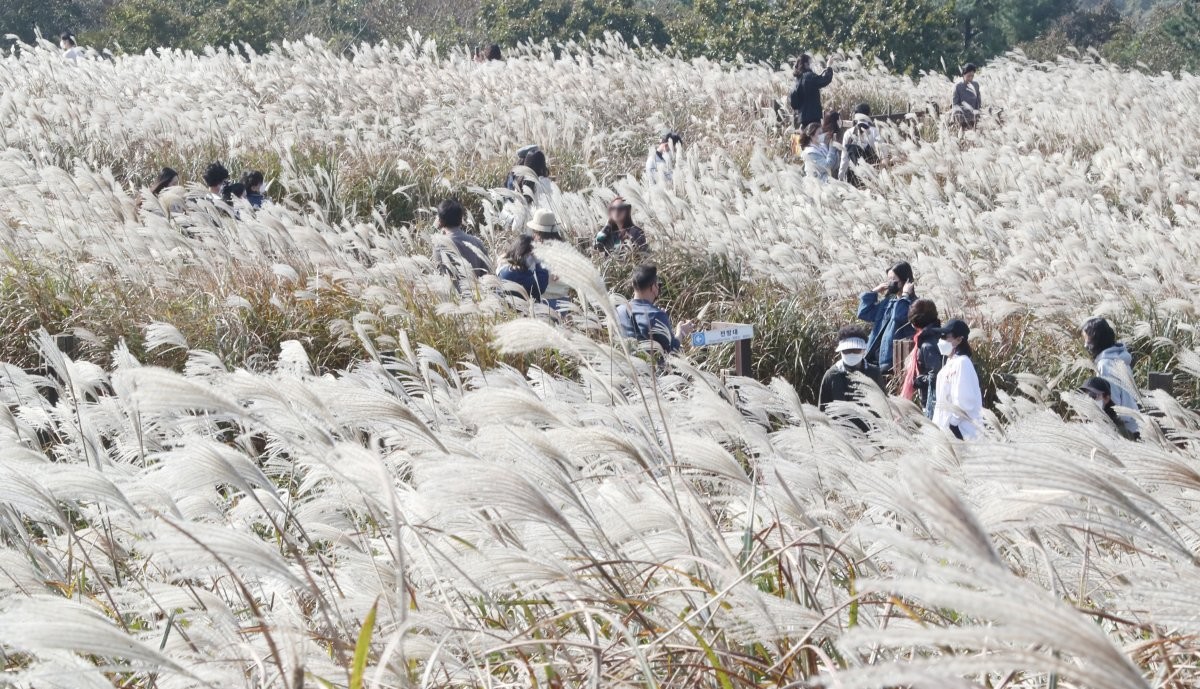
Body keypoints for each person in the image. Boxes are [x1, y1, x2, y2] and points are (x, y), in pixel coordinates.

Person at [615, 264, 694, 354]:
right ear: (653, 287)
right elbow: (671, 350)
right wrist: (681, 332)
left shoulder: (618, 311)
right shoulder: (656, 315)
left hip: (624, 365)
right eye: (658, 285)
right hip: (650, 367)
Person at [1082, 317, 1138, 436]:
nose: (1085, 345)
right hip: (1133, 423)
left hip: (1121, 428)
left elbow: (1110, 399)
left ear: (1096, 340)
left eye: (1087, 341)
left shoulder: (1106, 364)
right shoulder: (1121, 358)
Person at [929, 319, 985, 440]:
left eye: (945, 337)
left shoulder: (962, 363)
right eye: (941, 336)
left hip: (962, 433)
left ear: (959, 339)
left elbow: (965, 402)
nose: (941, 340)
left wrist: (952, 425)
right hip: (950, 432)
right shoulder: (952, 361)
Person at [857, 261, 915, 373]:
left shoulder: (914, 304)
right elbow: (863, 313)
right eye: (888, 279)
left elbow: (898, 317)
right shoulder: (888, 303)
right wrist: (874, 292)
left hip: (891, 363)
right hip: (872, 358)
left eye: (893, 279)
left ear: (906, 280)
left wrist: (905, 296)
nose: (890, 283)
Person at [819, 326, 885, 412]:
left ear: (863, 350)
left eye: (856, 350)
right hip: (839, 425)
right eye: (846, 350)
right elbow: (823, 409)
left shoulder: (874, 373)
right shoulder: (831, 375)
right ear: (840, 351)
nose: (851, 353)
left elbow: (884, 406)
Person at [896, 299, 943, 418]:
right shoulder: (936, 334)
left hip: (932, 402)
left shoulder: (927, 345)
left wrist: (919, 380)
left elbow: (936, 374)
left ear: (914, 323)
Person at [433, 199, 490, 280]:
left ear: (440, 221)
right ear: (460, 220)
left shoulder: (439, 247)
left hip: (453, 292)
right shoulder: (477, 243)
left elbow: (441, 278)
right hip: (477, 291)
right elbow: (487, 274)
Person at [527, 209, 572, 310]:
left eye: (534, 231)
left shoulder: (537, 252)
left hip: (544, 301)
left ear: (538, 232)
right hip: (563, 302)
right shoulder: (566, 249)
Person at [497, 234, 549, 301]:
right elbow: (540, 287)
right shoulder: (517, 274)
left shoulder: (504, 266)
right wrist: (540, 262)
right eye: (532, 255)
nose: (533, 258)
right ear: (524, 253)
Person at [789, 54, 833, 129]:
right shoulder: (809, 76)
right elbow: (824, 80)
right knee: (813, 139)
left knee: (805, 140)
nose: (811, 65)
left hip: (802, 119)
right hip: (813, 118)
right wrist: (829, 67)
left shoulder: (797, 80)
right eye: (810, 62)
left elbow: (793, 103)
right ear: (806, 64)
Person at [840, 105, 880, 185]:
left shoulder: (848, 133)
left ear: (855, 115)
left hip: (854, 175)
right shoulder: (875, 132)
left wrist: (841, 175)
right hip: (872, 173)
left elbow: (844, 157)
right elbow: (881, 154)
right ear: (868, 114)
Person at [952, 64, 982, 129]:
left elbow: (978, 102)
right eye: (968, 76)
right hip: (962, 117)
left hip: (974, 116)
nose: (970, 78)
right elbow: (955, 104)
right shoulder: (958, 87)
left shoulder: (975, 85)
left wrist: (978, 113)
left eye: (972, 76)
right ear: (963, 74)